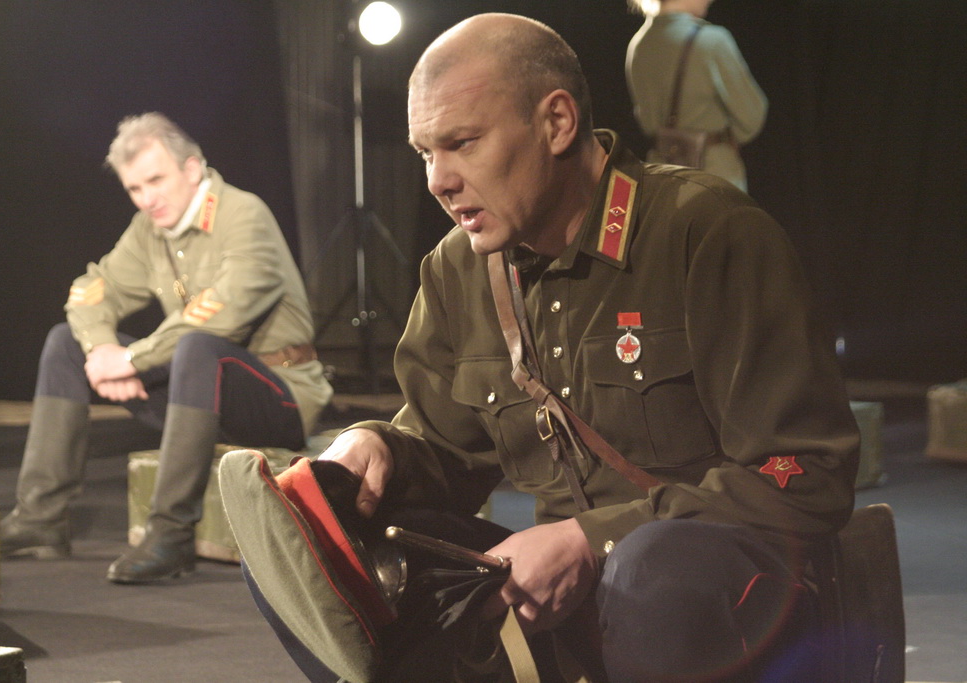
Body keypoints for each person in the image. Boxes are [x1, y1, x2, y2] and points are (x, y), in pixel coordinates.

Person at [246, 13, 859, 681]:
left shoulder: (705, 234)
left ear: (558, 123)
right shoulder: (456, 270)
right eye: (426, 153)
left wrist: (592, 541)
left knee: (651, 571)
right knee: (305, 550)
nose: (438, 180)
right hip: (566, 595)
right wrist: (376, 449)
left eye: (462, 143)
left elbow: (805, 474)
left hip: (721, 589)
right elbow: (446, 449)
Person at [0, 112, 333, 584]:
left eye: (156, 181)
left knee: (198, 346)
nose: (147, 198)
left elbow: (225, 313)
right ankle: (41, 518)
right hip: (198, 391)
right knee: (65, 343)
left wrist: (131, 359)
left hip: (278, 399)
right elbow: (94, 289)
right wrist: (100, 351)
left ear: (192, 169)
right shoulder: (150, 229)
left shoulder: (243, 213)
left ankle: (171, 532)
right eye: (135, 188)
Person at [625, 0, 767, 192]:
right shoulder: (711, 40)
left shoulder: (638, 44)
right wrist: (724, 140)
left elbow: (647, 123)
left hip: (663, 178)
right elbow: (752, 116)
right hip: (715, 176)